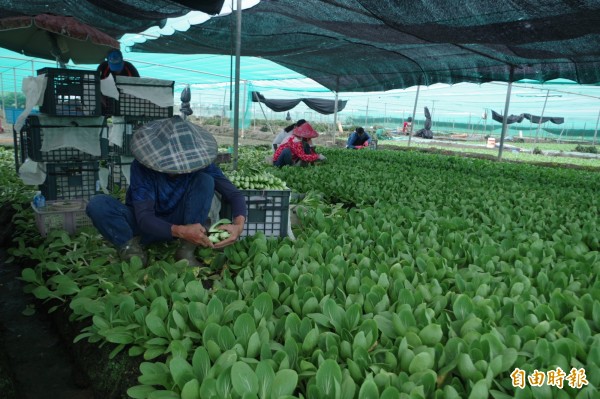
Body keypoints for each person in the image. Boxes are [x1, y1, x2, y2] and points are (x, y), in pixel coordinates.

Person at [86, 116, 247, 267]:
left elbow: (234, 194)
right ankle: (132, 251)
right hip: (144, 225)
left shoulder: (201, 165)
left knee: (205, 181)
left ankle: (186, 250)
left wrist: (238, 226)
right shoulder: (142, 167)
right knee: (98, 204)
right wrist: (181, 231)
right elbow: (144, 217)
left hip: (181, 220)